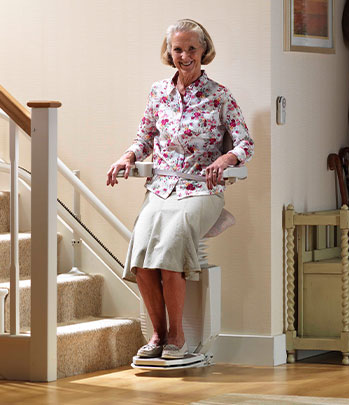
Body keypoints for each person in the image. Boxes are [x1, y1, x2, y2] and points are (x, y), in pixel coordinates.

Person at [106, 19, 254, 360]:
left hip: (202, 190)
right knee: (142, 255)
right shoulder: (159, 92)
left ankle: (178, 337)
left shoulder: (219, 96)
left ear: (204, 51)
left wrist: (226, 159)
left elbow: (246, 142)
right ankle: (157, 335)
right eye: (178, 49)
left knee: (170, 252)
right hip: (161, 188)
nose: (184, 56)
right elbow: (144, 137)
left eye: (191, 49)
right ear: (169, 52)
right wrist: (127, 156)